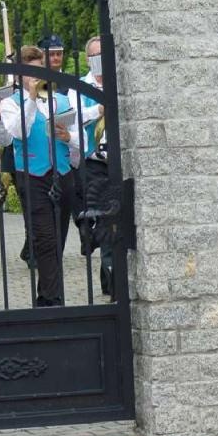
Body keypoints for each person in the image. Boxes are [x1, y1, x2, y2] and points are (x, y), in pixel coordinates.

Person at [0, 45, 79, 306]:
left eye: (38, 70)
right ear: (19, 75)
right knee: (44, 237)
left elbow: (81, 141)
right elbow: (17, 132)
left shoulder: (62, 100)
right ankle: (54, 299)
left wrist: (70, 137)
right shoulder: (9, 103)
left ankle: (45, 296)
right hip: (32, 175)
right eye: (29, 72)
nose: (35, 76)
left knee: (59, 237)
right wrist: (31, 99)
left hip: (62, 173)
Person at [71, 35, 120, 300]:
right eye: (95, 56)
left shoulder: (119, 80)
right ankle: (110, 275)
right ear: (88, 59)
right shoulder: (78, 86)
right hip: (94, 162)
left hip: (120, 160)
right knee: (103, 219)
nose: (100, 60)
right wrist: (96, 111)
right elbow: (71, 119)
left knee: (118, 220)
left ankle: (112, 275)